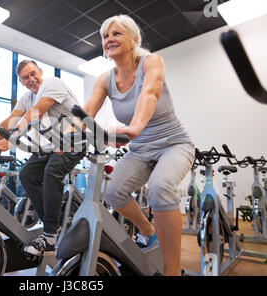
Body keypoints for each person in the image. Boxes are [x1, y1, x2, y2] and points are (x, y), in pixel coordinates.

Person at [82, 14, 195, 276]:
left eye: (116, 33)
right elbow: (86, 112)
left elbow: (150, 92)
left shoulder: (151, 62)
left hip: (173, 144)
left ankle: (172, 270)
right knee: (113, 193)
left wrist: (135, 126)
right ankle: (147, 230)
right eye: (105, 36)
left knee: (160, 187)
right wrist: (63, 137)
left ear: (134, 39)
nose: (109, 39)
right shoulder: (104, 79)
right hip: (140, 150)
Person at [0, 60, 84, 257]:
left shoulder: (52, 83)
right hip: (51, 145)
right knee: (27, 174)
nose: (30, 80)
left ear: (40, 71)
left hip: (74, 140)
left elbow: (38, 111)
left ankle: (48, 237)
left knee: (51, 171)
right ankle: (53, 221)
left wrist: (11, 140)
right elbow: (9, 121)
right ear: (21, 82)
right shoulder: (27, 97)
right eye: (25, 78)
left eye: (32, 74)